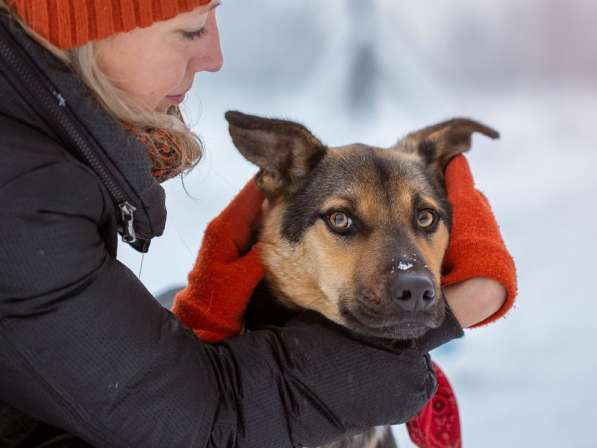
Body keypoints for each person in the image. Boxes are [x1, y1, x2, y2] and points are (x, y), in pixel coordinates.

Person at [0, 1, 516, 447]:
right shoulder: (23, 192)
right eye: (190, 28)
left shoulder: (37, 158)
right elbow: (189, 422)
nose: (215, 57)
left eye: (423, 218)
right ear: (88, 30)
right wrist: (451, 313)